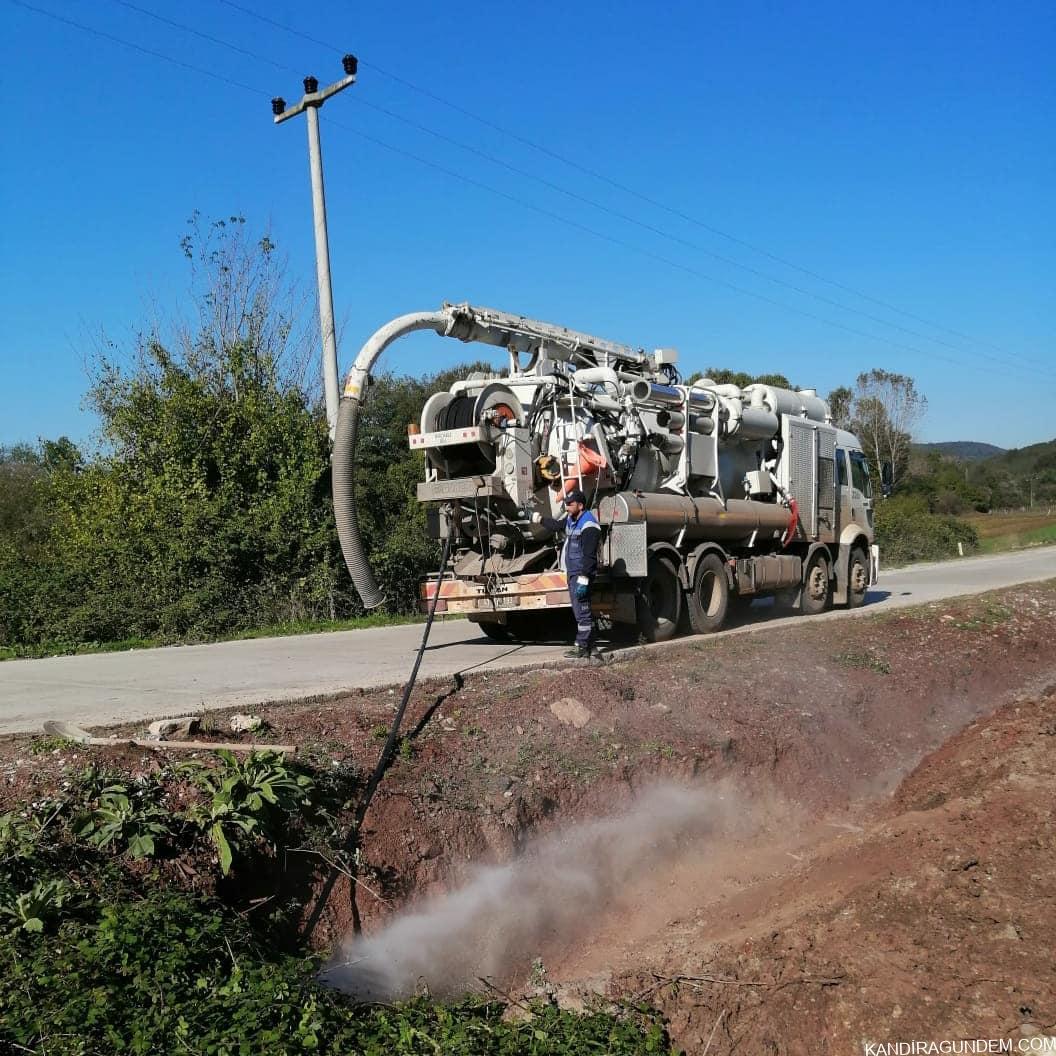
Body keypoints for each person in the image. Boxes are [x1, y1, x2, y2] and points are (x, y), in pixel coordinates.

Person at [531, 488, 601, 658]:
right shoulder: (572, 519)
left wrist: (584, 579)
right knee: (581, 610)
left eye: (571, 504)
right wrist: (538, 518)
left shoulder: (589, 525)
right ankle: (591, 647)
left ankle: (582, 647)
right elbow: (556, 526)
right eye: (567, 503)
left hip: (581, 574)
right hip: (573, 572)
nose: (567, 507)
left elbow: (590, 556)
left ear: (581, 505)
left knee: (581, 610)